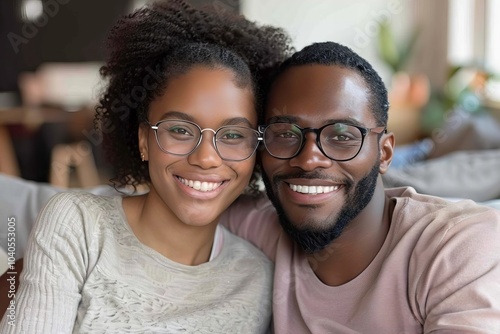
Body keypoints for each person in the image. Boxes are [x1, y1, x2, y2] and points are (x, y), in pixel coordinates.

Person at [0, 0, 291, 332]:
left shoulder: (258, 280)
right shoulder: (77, 224)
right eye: (180, 130)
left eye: (233, 135)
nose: (207, 157)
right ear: (143, 140)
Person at [222, 41, 500, 333]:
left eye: (342, 136)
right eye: (285, 134)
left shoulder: (456, 246)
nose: (308, 159)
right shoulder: (254, 223)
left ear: (385, 153)